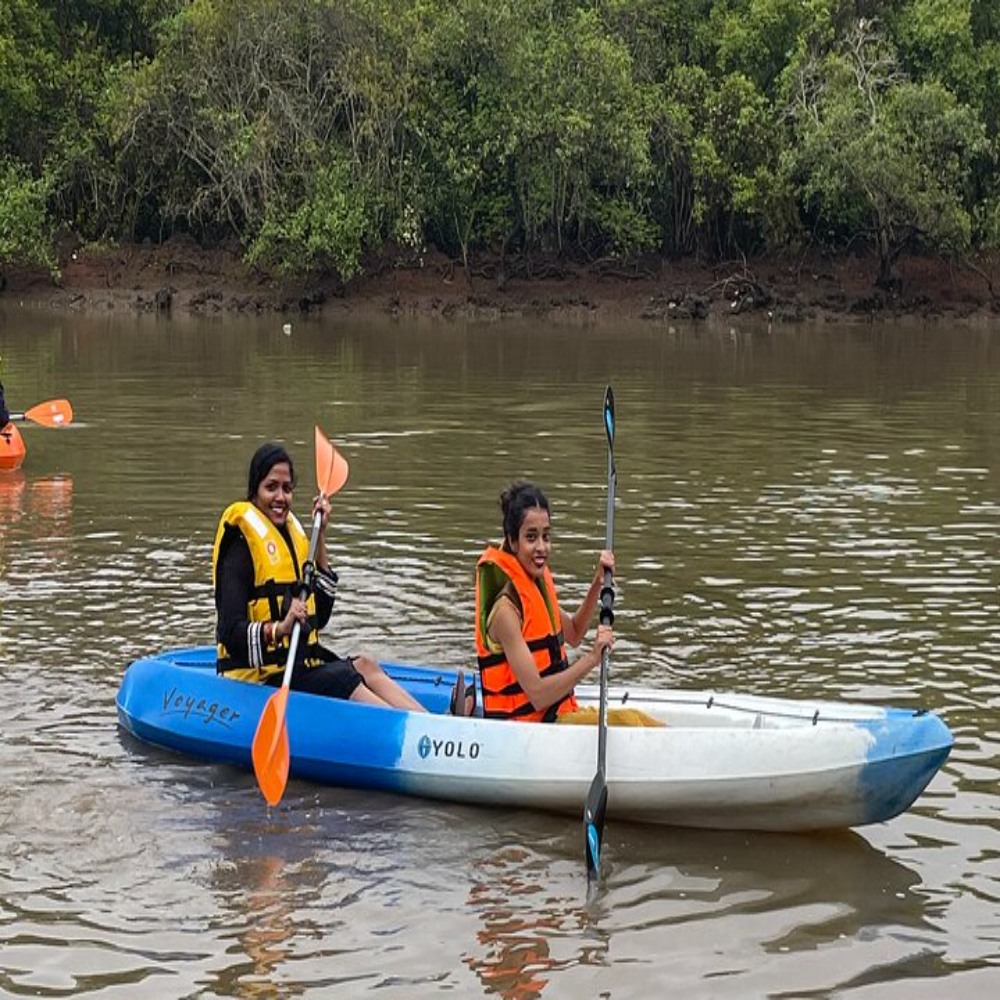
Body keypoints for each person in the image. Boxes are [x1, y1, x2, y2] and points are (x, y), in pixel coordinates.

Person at [214, 441, 472, 714]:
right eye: (271, 487)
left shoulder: (293, 537)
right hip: (257, 679)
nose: (281, 497)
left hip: (297, 666)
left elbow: (321, 615)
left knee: (366, 665)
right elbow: (229, 632)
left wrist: (321, 534)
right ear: (254, 491)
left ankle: (431, 723)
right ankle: (421, 734)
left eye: (287, 489)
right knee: (343, 679)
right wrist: (281, 628)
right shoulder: (239, 545)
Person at [475, 480, 661, 726]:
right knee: (631, 722)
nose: (541, 547)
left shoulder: (535, 589)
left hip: (558, 714)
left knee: (635, 718)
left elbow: (573, 633)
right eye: (531, 538)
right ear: (512, 541)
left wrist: (597, 583)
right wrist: (592, 659)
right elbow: (538, 695)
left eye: (546, 536)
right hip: (528, 729)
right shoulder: (505, 612)